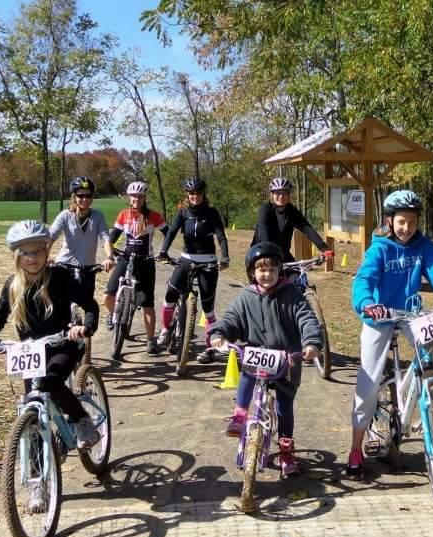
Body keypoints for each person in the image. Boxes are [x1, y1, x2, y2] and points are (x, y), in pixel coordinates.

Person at [344, 190, 433, 477]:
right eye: (401, 222)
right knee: (368, 383)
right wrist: (367, 303)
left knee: (431, 344)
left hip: (410, 313)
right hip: (379, 315)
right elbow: (365, 279)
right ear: (390, 221)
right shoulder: (380, 248)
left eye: (412, 221)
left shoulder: (423, 246)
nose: (407, 228)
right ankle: (356, 447)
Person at [0, 220, 101, 455]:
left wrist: (85, 328)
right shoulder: (12, 285)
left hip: (63, 343)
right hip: (30, 352)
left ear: (46, 250)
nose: (33, 258)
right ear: (16, 256)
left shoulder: (60, 277)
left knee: (51, 382)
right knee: (30, 399)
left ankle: (82, 420)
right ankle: (38, 464)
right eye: (26, 253)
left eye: (38, 251)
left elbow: (90, 305)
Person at [209, 242, 323, 477]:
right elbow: (231, 319)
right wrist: (219, 334)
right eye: (261, 270)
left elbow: (306, 318)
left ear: (279, 270)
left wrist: (311, 342)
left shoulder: (291, 293)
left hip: (286, 358)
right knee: (247, 374)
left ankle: (286, 450)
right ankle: (240, 414)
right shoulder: (246, 297)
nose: (267, 274)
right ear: (252, 272)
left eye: (272, 269)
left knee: (284, 406)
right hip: (257, 355)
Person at [154, 177, 230, 363]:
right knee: (171, 293)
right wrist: (163, 250)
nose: (195, 196)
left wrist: (225, 257)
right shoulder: (183, 213)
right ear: (187, 195)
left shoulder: (212, 213)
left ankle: (209, 347)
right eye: (191, 193)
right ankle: (165, 329)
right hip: (186, 259)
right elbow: (171, 232)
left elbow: (221, 237)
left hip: (208, 261)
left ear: (204, 195)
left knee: (208, 308)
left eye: (198, 193)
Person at [103, 180, 168, 355]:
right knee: (107, 296)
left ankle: (150, 340)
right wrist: (111, 251)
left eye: (140, 196)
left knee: (147, 304)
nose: (136, 199)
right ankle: (113, 315)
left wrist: (164, 251)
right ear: (129, 197)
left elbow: (168, 234)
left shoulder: (153, 216)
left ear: (144, 197)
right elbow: (113, 236)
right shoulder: (123, 214)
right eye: (133, 196)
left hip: (146, 262)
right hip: (126, 258)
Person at [49, 176, 115, 296]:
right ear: (74, 196)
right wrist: (44, 257)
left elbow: (105, 238)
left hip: (88, 269)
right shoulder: (65, 215)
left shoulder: (97, 216)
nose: (85, 199)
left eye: (89, 195)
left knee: (91, 308)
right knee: (60, 307)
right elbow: (51, 237)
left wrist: (109, 257)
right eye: (81, 196)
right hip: (64, 267)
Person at [252, 177, 333, 265]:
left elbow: (307, 228)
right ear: (272, 194)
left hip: (283, 254)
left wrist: (324, 248)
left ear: (289, 195)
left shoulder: (291, 211)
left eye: (285, 193)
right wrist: (268, 252)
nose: (281, 196)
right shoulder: (266, 209)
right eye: (278, 193)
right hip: (262, 253)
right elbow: (263, 231)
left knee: (296, 275)